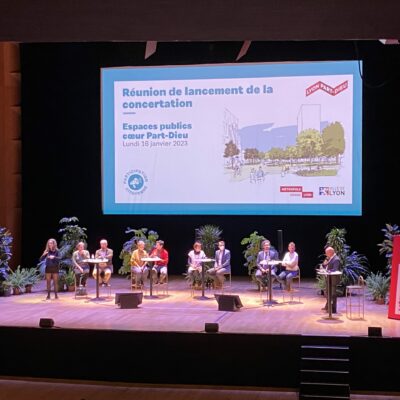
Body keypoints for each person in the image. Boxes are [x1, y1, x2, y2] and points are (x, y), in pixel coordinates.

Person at [320, 246, 341, 313]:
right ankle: (328, 306)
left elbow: (335, 269)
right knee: (327, 292)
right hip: (329, 278)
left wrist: (326, 271)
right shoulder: (330, 258)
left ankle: (333, 309)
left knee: (333, 294)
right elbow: (326, 266)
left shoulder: (336, 259)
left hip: (333, 279)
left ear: (330, 252)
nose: (326, 254)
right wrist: (324, 265)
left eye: (326, 253)